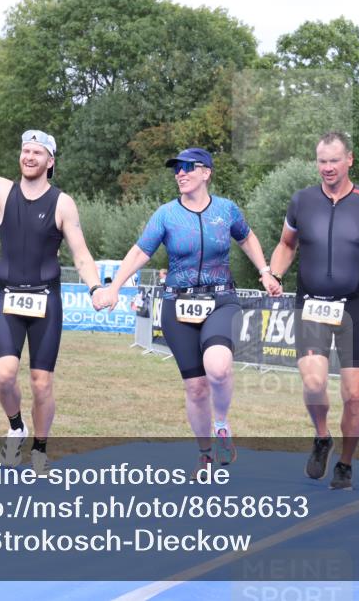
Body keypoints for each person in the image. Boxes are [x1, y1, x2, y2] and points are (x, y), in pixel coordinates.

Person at [0, 87, 103, 475]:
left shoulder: (62, 203)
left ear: (50, 161)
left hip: (46, 301)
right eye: (25, 150)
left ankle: (39, 449)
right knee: (4, 375)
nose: (29, 156)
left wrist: (95, 287)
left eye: (37, 152)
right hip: (8, 298)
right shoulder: (1, 191)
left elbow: (81, 254)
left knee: (42, 383)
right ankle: (16, 427)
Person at [94, 147, 280, 477]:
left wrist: (265, 270)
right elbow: (140, 252)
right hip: (177, 306)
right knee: (196, 388)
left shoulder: (226, 210)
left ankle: (221, 425)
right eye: (176, 169)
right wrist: (115, 287)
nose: (180, 173)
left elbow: (247, 238)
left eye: (187, 167)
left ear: (206, 172)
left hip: (221, 300)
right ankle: (205, 454)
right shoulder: (166, 215)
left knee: (218, 368)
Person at [269, 132, 359, 491]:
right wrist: (274, 273)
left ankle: (346, 462)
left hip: (354, 306)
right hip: (311, 304)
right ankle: (322, 437)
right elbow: (286, 244)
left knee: (355, 394)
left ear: (350, 159)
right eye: (322, 161)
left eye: (334, 160)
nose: (328, 167)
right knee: (314, 381)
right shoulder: (302, 201)